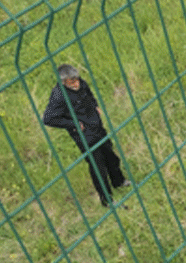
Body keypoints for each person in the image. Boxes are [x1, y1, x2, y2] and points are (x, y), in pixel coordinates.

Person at [41, 63, 129, 207]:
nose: (76, 84)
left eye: (76, 80)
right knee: (97, 166)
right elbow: (48, 119)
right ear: (63, 82)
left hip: (97, 126)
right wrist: (72, 124)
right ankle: (107, 200)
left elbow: (89, 94)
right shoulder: (58, 96)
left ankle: (118, 181)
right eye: (72, 82)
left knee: (111, 156)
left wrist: (95, 105)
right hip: (84, 135)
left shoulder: (81, 83)